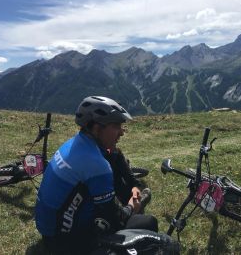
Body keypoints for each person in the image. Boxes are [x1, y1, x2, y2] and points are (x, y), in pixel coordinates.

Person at [35, 96, 158, 254]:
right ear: (96, 128)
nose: (122, 132)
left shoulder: (73, 143)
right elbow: (117, 217)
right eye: (116, 126)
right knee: (148, 223)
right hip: (64, 244)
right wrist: (132, 207)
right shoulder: (97, 165)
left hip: (48, 229)